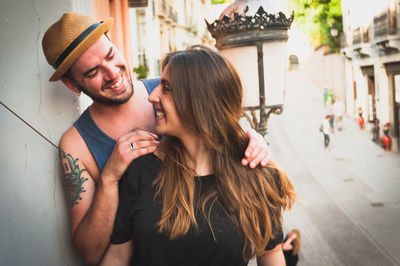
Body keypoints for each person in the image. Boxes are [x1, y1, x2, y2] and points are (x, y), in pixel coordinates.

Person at [42, 13, 272, 264]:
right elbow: (91, 253)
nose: (111, 73)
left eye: (110, 55)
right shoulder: (76, 145)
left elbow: (217, 128)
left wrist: (250, 139)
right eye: (93, 71)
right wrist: (110, 178)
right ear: (72, 85)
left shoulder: (168, 90)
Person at [100, 46, 297, 266]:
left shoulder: (258, 176)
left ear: (199, 101)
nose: (152, 97)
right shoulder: (141, 168)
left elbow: (270, 253)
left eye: (166, 89)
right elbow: (118, 255)